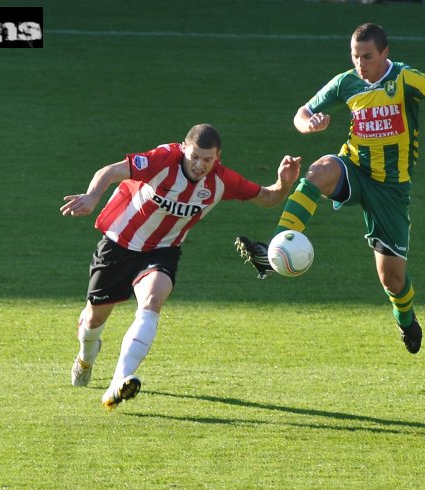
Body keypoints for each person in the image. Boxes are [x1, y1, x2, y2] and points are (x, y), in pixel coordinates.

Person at [236, 22, 425, 354]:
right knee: (319, 170)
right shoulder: (346, 82)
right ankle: (272, 249)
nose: (360, 63)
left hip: (390, 189)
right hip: (354, 167)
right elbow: (302, 113)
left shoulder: (405, 78)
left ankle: (407, 321)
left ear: (385, 53)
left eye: (367, 56)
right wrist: (308, 126)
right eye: (355, 56)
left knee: (392, 279)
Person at [61, 124, 301, 408]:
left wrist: (284, 183)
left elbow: (268, 197)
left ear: (218, 157)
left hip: (163, 250)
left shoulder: (222, 181)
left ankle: (118, 383)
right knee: (93, 321)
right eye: (195, 157)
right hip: (119, 244)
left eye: (207, 160)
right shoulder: (162, 159)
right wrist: (92, 196)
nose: (200, 165)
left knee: (151, 302)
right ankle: (86, 358)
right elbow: (110, 171)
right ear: (184, 148)